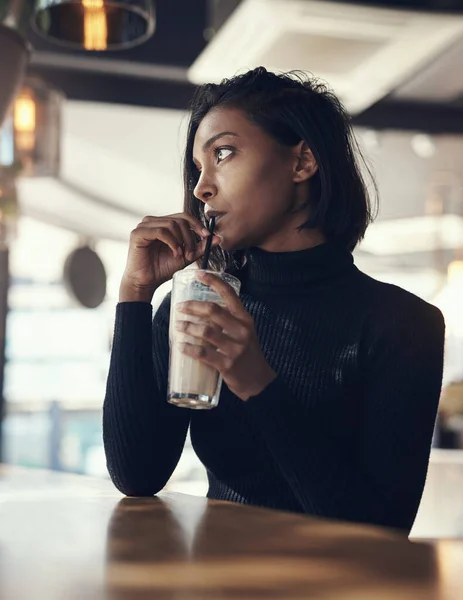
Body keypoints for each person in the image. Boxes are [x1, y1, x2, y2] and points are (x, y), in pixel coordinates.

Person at [103, 67, 445, 534]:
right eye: (197, 168)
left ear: (302, 162)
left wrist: (258, 383)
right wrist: (135, 295)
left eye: (223, 154)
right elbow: (137, 476)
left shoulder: (405, 325)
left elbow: (381, 532)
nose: (201, 186)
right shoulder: (199, 307)